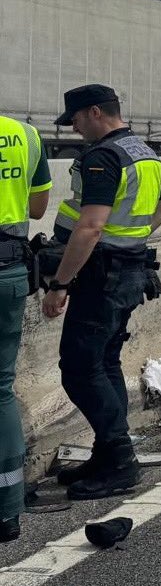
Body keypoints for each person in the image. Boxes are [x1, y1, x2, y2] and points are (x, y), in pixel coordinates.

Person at [44, 85, 161, 501]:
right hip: (130, 274)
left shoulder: (103, 157)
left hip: (102, 278)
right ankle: (108, 452)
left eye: (75, 119)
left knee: (79, 367)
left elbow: (91, 226)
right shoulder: (144, 153)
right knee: (105, 360)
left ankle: (119, 460)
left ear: (95, 112)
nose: (74, 128)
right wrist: (128, 246)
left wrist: (61, 283)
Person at [0, 113, 52, 542]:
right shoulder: (25, 134)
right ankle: (7, 512)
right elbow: (37, 208)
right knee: (1, 390)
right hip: (8, 271)